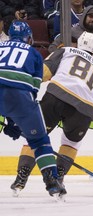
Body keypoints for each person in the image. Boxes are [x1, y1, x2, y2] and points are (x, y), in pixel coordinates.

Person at [9, 31, 93, 194]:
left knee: (35, 136)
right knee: (71, 143)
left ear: (78, 44)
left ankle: (21, 177)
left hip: (57, 96)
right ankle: (58, 178)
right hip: (85, 109)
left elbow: (44, 72)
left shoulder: (67, 51)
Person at [0, 21, 66, 197]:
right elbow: (33, 90)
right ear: (29, 38)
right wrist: (16, 120)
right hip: (20, 95)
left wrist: (7, 118)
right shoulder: (34, 53)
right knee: (38, 141)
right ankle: (52, 182)